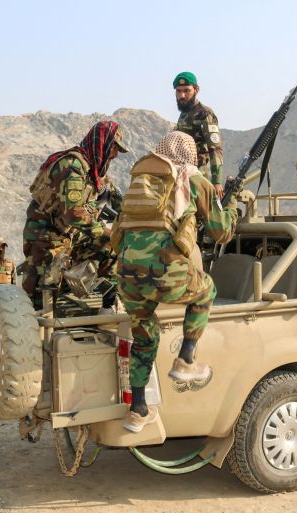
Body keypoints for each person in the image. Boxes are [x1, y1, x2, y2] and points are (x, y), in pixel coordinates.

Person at [113, 131, 238, 432]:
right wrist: (232, 204)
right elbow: (222, 232)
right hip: (165, 273)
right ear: (188, 155)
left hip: (127, 275)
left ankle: (138, 409)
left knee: (144, 337)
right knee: (205, 290)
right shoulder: (193, 179)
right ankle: (185, 359)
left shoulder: (139, 182)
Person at [22, 120, 127, 312]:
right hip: (46, 235)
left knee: (111, 248)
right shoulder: (72, 167)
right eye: (113, 147)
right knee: (42, 291)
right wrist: (106, 232)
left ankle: (107, 307)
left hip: (69, 233)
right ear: (101, 143)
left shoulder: (92, 171)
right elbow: (75, 215)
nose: (115, 154)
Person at [174, 71, 225, 198]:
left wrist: (217, 181)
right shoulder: (184, 113)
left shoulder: (204, 113)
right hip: (181, 171)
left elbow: (215, 148)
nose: (182, 95)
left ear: (196, 90)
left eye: (186, 90)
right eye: (178, 91)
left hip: (198, 172)